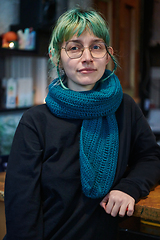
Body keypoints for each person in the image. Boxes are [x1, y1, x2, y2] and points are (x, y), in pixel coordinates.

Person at [3, 8, 160, 240]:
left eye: (96, 47)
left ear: (108, 55)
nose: (87, 57)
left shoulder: (125, 108)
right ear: (56, 56)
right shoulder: (36, 122)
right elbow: (21, 208)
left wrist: (129, 187)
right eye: (74, 47)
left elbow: (151, 158)